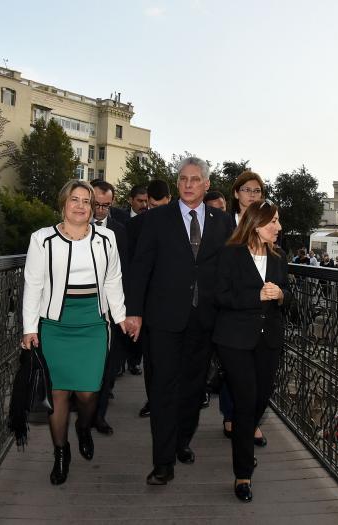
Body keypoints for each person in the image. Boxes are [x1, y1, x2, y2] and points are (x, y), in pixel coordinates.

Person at [126, 156, 233, 485]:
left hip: (205, 320)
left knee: (192, 389)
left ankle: (181, 441)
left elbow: (230, 270)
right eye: (183, 179)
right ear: (177, 184)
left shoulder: (223, 222)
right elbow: (141, 267)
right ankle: (162, 463)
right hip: (163, 318)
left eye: (195, 179)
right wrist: (134, 311)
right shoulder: (156, 219)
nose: (188, 184)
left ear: (207, 184)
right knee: (163, 389)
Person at [21, 180, 127, 485]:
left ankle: (83, 426)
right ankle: (61, 452)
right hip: (55, 324)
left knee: (88, 392)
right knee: (57, 394)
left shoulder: (106, 238)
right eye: (74, 199)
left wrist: (120, 316)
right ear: (63, 204)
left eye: (86, 201)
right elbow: (33, 284)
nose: (81, 206)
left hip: (93, 323)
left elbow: (113, 279)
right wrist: (29, 328)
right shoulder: (42, 239)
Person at [213, 199, 290, 502]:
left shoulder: (279, 257)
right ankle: (243, 473)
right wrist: (255, 296)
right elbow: (220, 296)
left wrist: (281, 294)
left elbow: (290, 296)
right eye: (273, 221)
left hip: (268, 339)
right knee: (245, 402)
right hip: (234, 339)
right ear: (256, 224)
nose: (278, 227)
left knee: (261, 398)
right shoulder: (230, 254)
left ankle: (243, 436)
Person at [222, 170, 269, 445]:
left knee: (255, 374)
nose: (252, 195)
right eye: (247, 190)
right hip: (229, 306)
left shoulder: (268, 222)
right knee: (232, 369)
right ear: (236, 192)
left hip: (257, 311)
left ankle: (249, 422)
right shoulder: (223, 223)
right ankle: (232, 416)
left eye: (257, 191)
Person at [126, 179, 172, 419]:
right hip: (147, 304)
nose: (157, 211)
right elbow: (132, 269)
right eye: (152, 206)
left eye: (162, 206)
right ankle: (153, 400)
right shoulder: (135, 226)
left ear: (170, 200)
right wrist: (133, 309)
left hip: (176, 302)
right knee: (152, 357)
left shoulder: (183, 224)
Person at [90, 179, 130, 436]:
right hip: (78, 308)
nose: (101, 210)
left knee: (107, 366)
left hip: (111, 310)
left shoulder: (120, 231)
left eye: (106, 205)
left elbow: (126, 271)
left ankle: (99, 415)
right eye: (97, 204)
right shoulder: (72, 225)